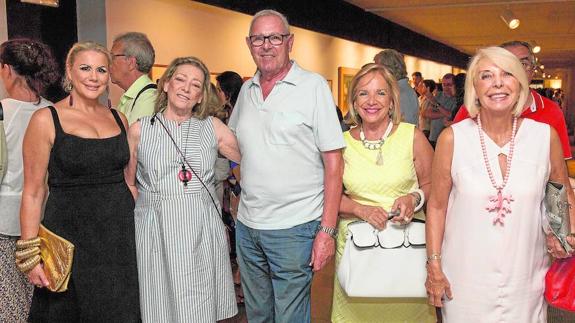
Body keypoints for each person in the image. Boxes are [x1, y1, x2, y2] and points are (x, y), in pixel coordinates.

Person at [425, 46, 575, 322]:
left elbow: (559, 194)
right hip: (464, 281)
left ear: (520, 83)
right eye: (486, 76)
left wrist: (562, 234)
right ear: (474, 87)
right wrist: (434, 266)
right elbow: (436, 207)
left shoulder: (544, 137)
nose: (497, 83)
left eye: (507, 74)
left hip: (526, 279)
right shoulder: (452, 138)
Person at [228, 9, 345, 322]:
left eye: (274, 37)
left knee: (290, 318)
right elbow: (235, 149)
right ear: (249, 43)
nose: (266, 45)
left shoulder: (313, 87)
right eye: (258, 38)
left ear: (289, 42)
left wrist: (327, 232)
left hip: (295, 228)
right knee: (257, 316)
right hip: (249, 229)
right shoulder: (246, 91)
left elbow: (334, 164)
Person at [18, 41, 140, 321]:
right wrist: (30, 254)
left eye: (101, 69)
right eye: (85, 68)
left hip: (118, 239)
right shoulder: (46, 119)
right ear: (69, 72)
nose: (93, 76)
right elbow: (34, 192)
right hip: (69, 239)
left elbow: (128, 181)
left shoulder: (119, 118)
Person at [126, 56, 240, 322]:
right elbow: (129, 182)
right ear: (165, 84)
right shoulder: (139, 130)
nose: (186, 88)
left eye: (195, 84)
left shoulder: (213, 128)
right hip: (156, 227)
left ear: (201, 96)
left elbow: (247, 160)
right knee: (158, 302)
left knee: (197, 302)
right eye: (180, 79)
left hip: (199, 226)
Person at [331, 63, 434, 322]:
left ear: (392, 100)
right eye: (363, 93)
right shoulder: (341, 144)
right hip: (358, 252)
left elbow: (434, 186)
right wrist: (360, 209)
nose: (372, 101)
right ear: (354, 101)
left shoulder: (413, 137)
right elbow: (329, 197)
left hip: (407, 250)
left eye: (380, 93)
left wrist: (414, 198)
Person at [0, 38, 58, 323]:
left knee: (9, 304)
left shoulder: (2, 113)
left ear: (7, 70)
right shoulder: (55, 113)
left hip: (5, 224)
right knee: (42, 304)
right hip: (48, 222)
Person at [453, 40, 571, 159]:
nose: (517, 70)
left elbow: (559, 170)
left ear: (533, 70)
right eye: (508, 65)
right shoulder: (469, 110)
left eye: (523, 64)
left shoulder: (551, 111)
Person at [110, 32, 157, 125]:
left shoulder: (149, 98)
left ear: (131, 63)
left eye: (112, 57)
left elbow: (133, 139)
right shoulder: (131, 96)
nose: (109, 63)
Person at [374, 49, 419, 126]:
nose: (375, 71)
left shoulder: (401, 93)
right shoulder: (398, 90)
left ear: (388, 69)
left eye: (378, 68)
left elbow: (406, 127)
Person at [422, 73, 457, 147]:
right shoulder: (438, 95)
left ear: (455, 85)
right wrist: (446, 113)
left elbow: (452, 116)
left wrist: (436, 104)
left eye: (449, 84)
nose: (446, 87)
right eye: (444, 85)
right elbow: (426, 113)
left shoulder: (457, 99)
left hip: (447, 141)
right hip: (433, 137)